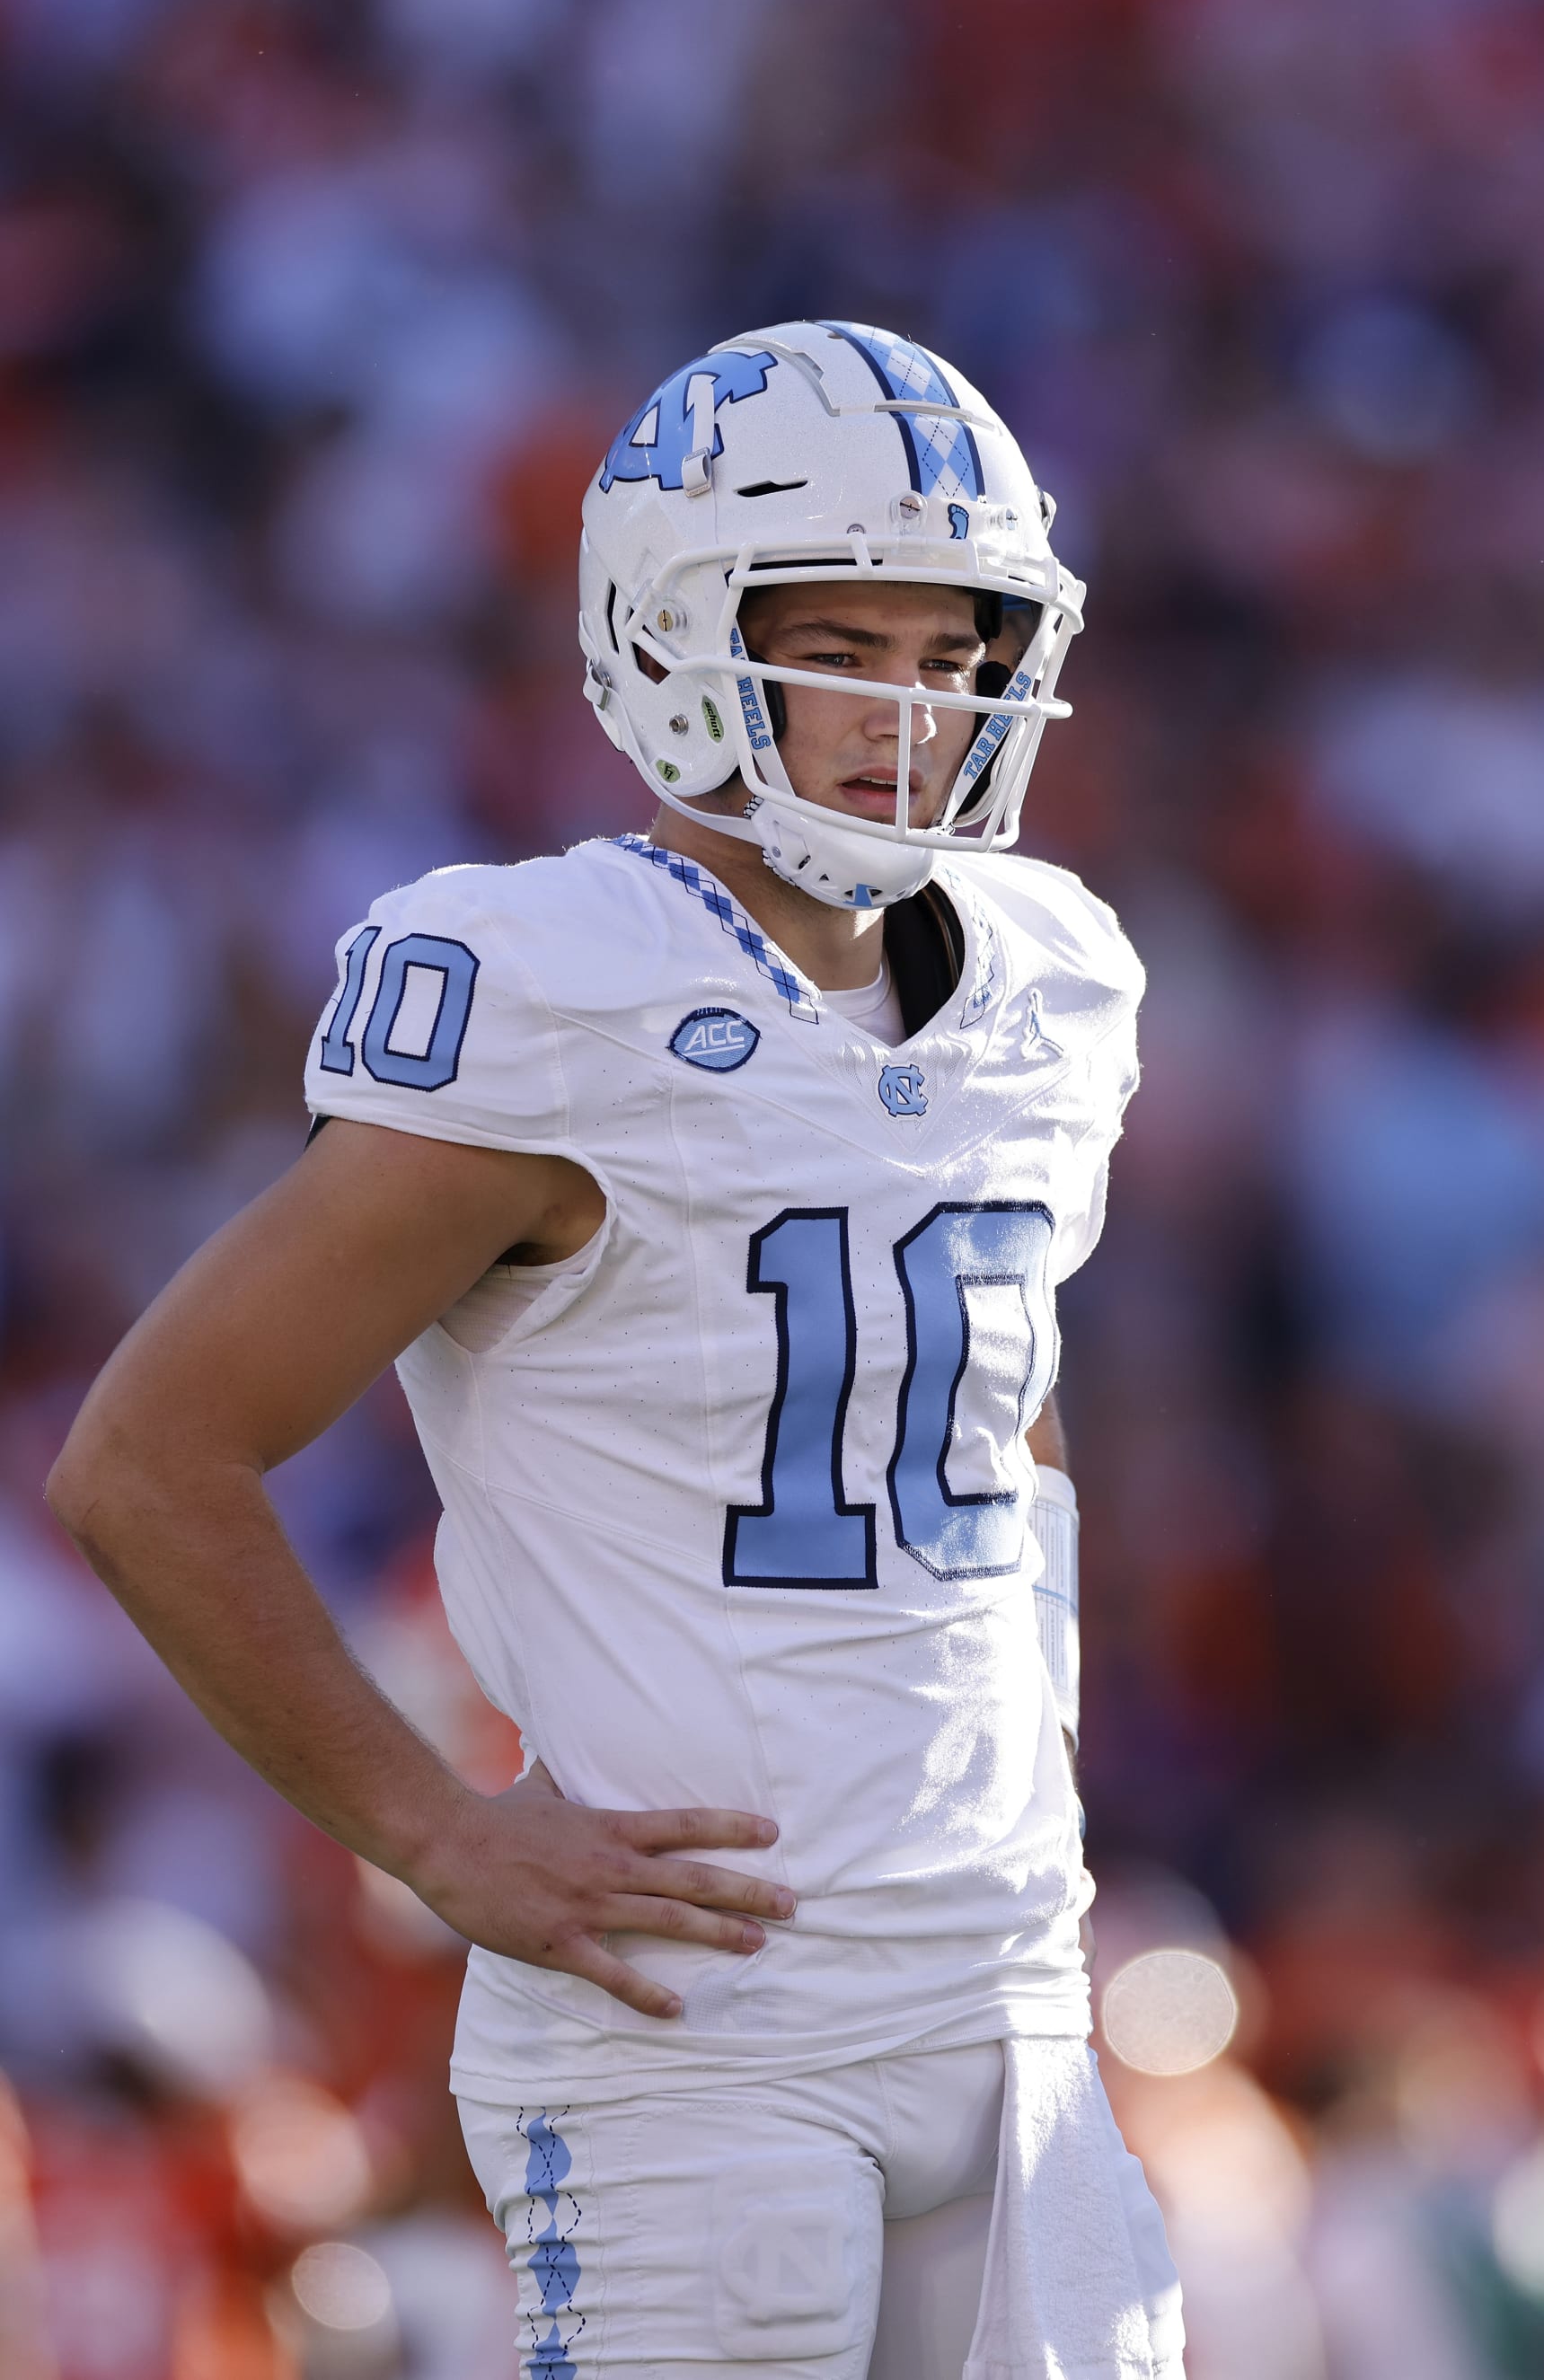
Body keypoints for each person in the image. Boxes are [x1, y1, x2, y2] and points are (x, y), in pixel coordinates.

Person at [48, 321, 1184, 2379]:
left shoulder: (1054, 977)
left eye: (955, 657)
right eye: (845, 646)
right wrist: (433, 1828)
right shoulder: (554, 987)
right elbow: (148, 1460)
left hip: (1007, 1983)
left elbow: (994, 1416)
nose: (907, 718)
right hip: (697, 2030)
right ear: (674, 635)